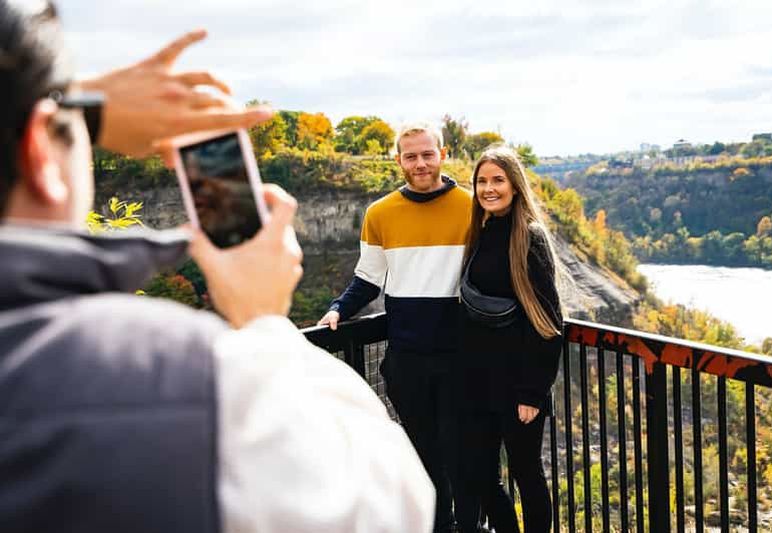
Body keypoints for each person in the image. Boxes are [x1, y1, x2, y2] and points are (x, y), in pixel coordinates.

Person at [0, 2, 434, 532]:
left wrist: (62, 106)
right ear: (40, 152)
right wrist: (263, 320)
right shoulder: (199, 384)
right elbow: (392, 507)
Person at [318, 123, 472, 532]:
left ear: (443, 154)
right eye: (411, 156)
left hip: (461, 359)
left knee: (462, 457)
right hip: (407, 360)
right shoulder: (380, 213)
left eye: (427, 154)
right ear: (398, 160)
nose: (420, 163)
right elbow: (368, 278)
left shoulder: (472, 207)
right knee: (423, 459)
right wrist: (338, 309)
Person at [453, 146, 563, 533]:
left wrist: (532, 392)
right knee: (482, 475)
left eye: (498, 180)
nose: (489, 188)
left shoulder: (529, 237)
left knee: (526, 474)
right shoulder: (481, 233)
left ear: (515, 186)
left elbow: (548, 321)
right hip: (478, 383)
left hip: (518, 385)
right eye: (481, 181)